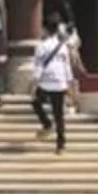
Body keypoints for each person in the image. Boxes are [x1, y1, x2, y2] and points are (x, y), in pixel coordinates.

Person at [31, 16, 78, 150]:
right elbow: (67, 67)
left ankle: (46, 124)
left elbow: (38, 67)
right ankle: (60, 143)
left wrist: (34, 85)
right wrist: (70, 84)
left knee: (35, 102)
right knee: (59, 114)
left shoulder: (41, 46)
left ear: (44, 29)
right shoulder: (62, 47)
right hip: (60, 83)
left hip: (46, 82)